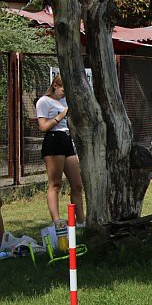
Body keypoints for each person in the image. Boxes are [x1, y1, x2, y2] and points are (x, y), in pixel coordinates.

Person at [35, 75, 85, 225]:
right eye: (63, 89)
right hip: (53, 140)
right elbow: (43, 126)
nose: (64, 93)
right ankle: (56, 221)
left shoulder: (65, 100)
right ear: (55, 86)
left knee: (77, 184)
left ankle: (81, 221)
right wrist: (61, 115)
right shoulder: (44, 101)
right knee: (55, 183)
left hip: (67, 139)